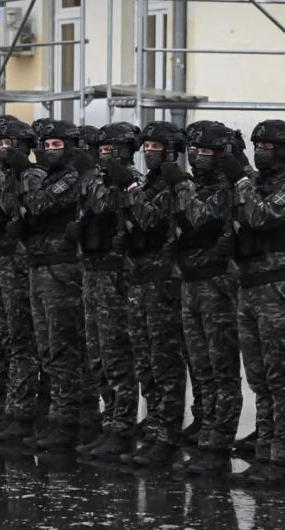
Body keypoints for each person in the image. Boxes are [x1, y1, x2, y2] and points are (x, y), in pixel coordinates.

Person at [219, 119, 285, 486]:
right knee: (259, 380)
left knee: (280, 380)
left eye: (269, 146)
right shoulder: (255, 187)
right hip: (251, 290)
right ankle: (263, 455)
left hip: (280, 293)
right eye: (257, 146)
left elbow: (259, 218)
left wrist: (242, 180)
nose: (261, 153)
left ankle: (280, 462)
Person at [164, 122, 243, 476]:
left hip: (217, 284)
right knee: (202, 368)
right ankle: (207, 432)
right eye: (194, 152)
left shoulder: (227, 187)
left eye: (206, 152)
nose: (197, 158)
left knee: (221, 368)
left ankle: (218, 443)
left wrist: (181, 186)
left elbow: (199, 218)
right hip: (192, 281)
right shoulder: (198, 186)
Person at [19, 119, 95, 448]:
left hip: (62, 270)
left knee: (64, 348)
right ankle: (63, 416)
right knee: (49, 349)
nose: (50, 152)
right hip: (41, 267)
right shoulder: (52, 177)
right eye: (46, 146)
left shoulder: (72, 177)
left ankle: (71, 420)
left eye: (56, 146)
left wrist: (26, 175)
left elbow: (37, 205)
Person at [122, 121, 188, 467]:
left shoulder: (175, 186)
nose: (149, 153)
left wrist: (130, 189)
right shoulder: (149, 185)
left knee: (165, 363)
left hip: (164, 283)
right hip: (140, 281)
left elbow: (148, 220)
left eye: (156, 148)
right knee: (145, 362)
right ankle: (156, 426)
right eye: (146, 147)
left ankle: (168, 434)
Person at [81, 122, 142, 459]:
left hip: (115, 276)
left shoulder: (131, 181)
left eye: (110, 150)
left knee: (117, 354)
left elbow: (104, 206)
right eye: (100, 149)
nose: (103, 155)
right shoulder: (96, 180)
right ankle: (109, 421)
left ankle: (122, 426)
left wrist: (112, 180)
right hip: (93, 273)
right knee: (98, 356)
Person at [0, 118, 39, 443]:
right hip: (0, 264)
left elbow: (26, 211)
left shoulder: (32, 177)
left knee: (21, 343)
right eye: (0, 143)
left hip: (19, 268)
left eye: (10, 144)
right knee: (8, 342)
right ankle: (12, 407)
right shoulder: (0, 177)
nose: (5, 149)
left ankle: (23, 411)